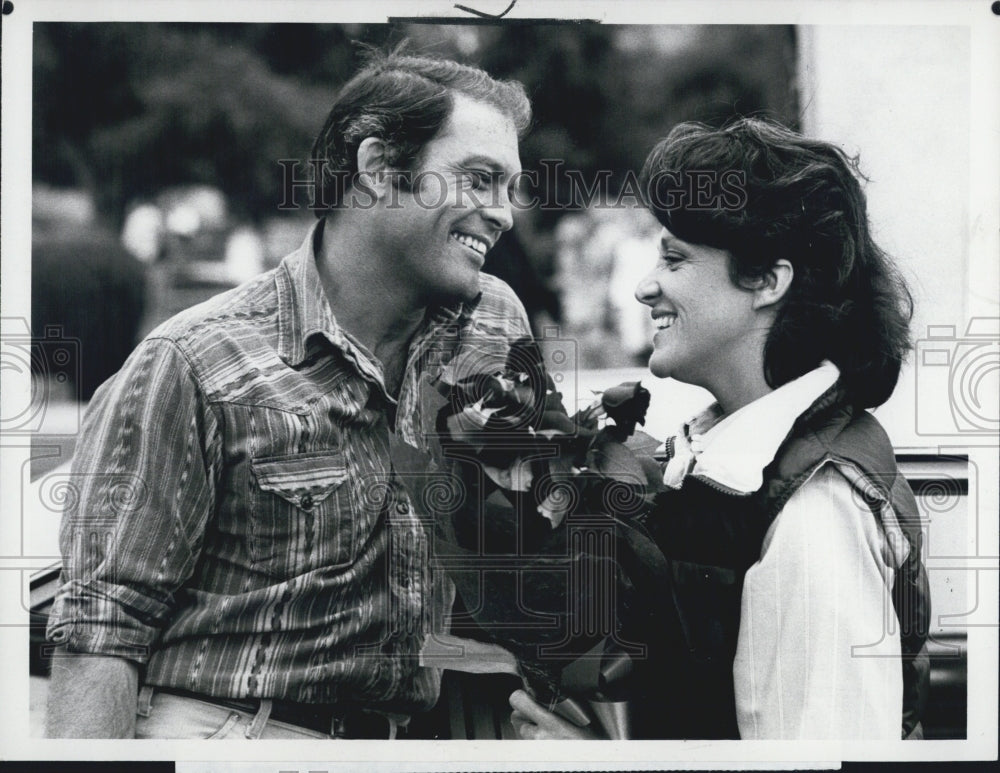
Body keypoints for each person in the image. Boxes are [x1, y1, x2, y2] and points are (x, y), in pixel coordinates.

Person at [44, 49, 533, 739]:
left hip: (400, 737)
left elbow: (527, 541)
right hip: (225, 733)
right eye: (480, 179)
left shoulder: (492, 323)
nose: (503, 214)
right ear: (375, 165)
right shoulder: (193, 361)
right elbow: (101, 628)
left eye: (509, 186)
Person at [510, 118, 930, 740]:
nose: (645, 286)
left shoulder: (815, 513)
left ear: (767, 280)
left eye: (675, 259)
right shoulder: (744, 459)